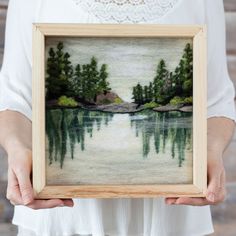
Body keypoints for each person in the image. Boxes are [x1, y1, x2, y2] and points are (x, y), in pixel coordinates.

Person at [0, 0, 235, 235]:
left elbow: (216, 100)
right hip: (60, 215)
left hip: (170, 212)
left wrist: (211, 150)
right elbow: (13, 97)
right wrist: (17, 147)